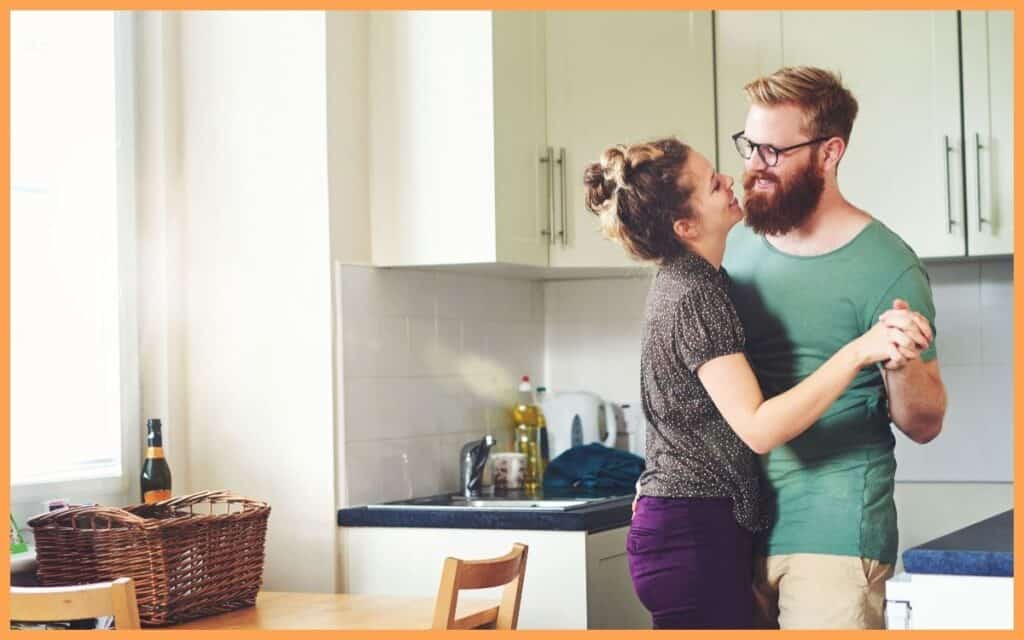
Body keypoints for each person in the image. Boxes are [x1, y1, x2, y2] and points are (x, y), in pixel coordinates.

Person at [583, 137, 931, 630]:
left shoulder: (696, 281)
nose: (729, 180)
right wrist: (859, 349)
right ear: (685, 226)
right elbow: (759, 428)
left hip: (691, 531)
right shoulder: (696, 293)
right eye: (711, 184)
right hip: (691, 536)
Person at [722, 66, 947, 629]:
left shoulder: (887, 265)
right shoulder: (735, 246)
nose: (754, 166)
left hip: (836, 532)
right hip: (734, 523)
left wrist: (901, 365)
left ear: (829, 153)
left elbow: (924, 423)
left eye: (774, 151)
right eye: (749, 146)